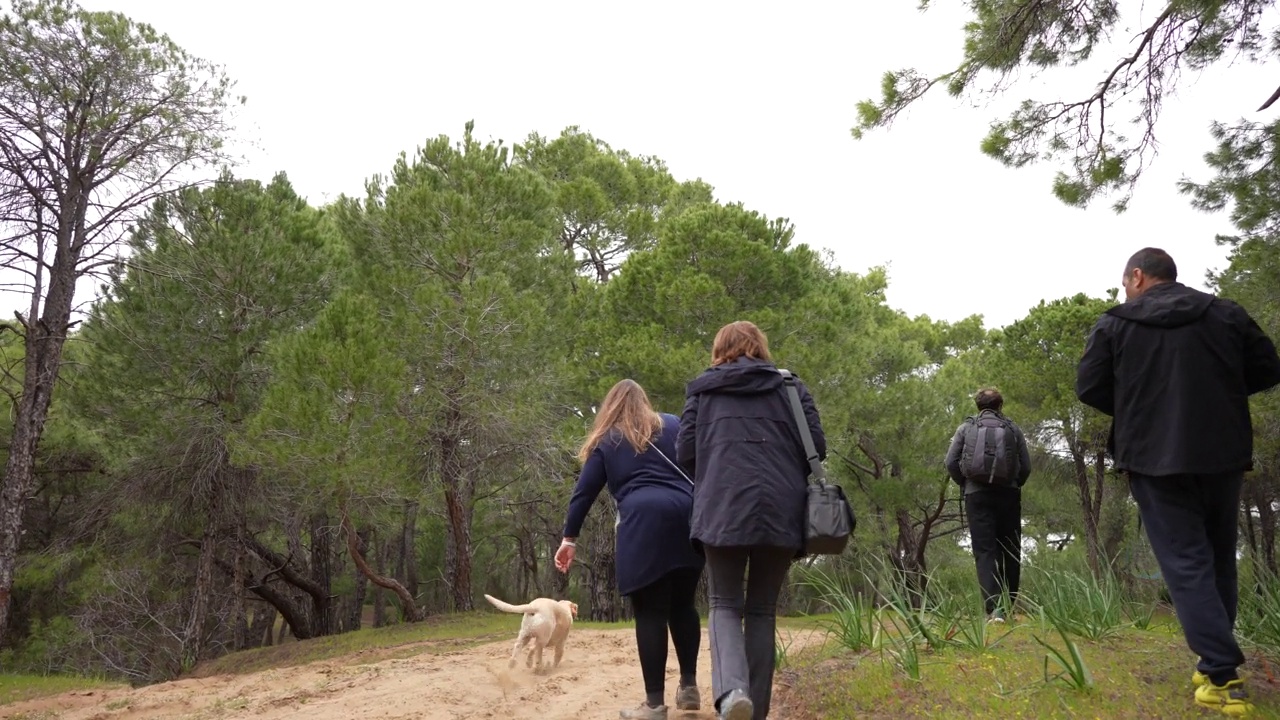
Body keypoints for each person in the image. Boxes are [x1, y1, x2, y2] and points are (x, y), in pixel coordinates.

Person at [1076, 247, 1280, 717]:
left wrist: (1139, 408)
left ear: (1138, 277)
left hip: (1152, 455)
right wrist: (1216, 394)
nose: (1124, 291)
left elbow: (1089, 387)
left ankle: (1223, 674)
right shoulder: (1226, 313)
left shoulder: (1115, 324)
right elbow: (1269, 367)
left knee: (1186, 561)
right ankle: (1212, 663)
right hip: (1221, 451)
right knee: (1216, 556)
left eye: (1125, 283)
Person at [677, 320, 825, 720]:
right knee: (762, 609)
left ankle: (733, 692)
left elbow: (685, 451)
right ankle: (755, 711)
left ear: (719, 348)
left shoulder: (704, 390)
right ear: (761, 346)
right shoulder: (791, 388)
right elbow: (818, 448)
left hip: (722, 506)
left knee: (724, 603)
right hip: (780, 507)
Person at [555, 379, 705, 720]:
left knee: (651, 611)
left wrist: (569, 539)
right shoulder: (674, 424)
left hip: (643, 523)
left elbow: (584, 492)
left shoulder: (608, 439)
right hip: (689, 518)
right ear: (645, 401)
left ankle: (654, 705)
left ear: (611, 406)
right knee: (683, 604)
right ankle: (690, 687)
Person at [943, 388, 1032, 622]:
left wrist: (966, 483)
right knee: (1011, 550)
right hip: (1009, 495)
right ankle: (1008, 605)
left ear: (978, 406)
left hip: (977, 496)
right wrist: (1014, 483)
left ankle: (993, 611)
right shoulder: (1013, 428)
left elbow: (950, 462)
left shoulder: (966, 428)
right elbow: (1026, 467)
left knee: (985, 552)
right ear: (1000, 405)